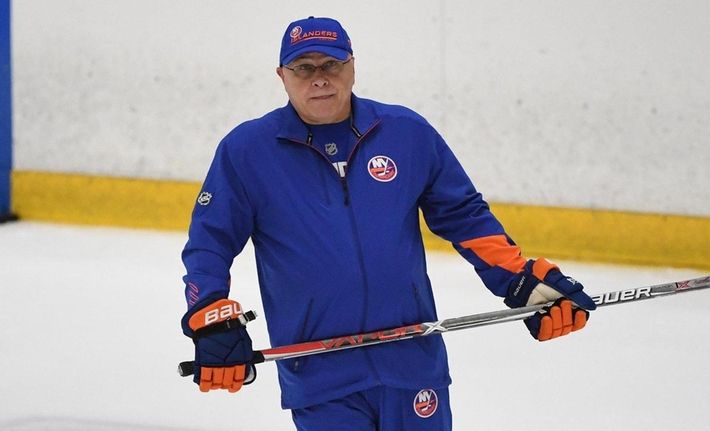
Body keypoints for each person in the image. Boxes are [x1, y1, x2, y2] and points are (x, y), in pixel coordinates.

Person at [180, 16, 595, 431]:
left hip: (412, 362)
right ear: (282, 77)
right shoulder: (247, 150)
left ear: (353, 67)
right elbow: (210, 241)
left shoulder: (406, 133)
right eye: (304, 68)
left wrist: (519, 279)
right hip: (319, 374)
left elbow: (465, 217)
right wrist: (209, 310)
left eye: (332, 65)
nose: (319, 79)